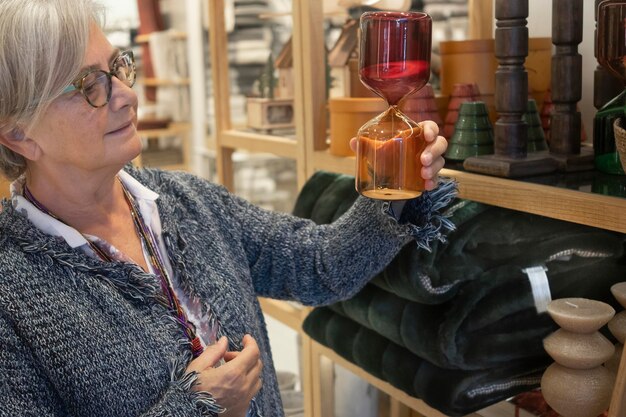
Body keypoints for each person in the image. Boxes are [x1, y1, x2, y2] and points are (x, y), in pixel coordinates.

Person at [0, 1, 452, 416]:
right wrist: (196, 408)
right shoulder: (12, 292)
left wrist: (398, 187)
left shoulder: (188, 204)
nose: (126, 95)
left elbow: (319, 264)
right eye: (89, 87)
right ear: (19, 133)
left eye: (118, 68)